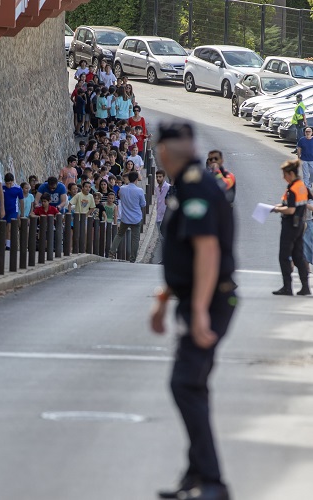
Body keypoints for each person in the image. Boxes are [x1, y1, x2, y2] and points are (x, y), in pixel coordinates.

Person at [150, 122, 236, 500]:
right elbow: (184, 252)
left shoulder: (197, 185)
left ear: (163, 152)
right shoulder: (186, 184)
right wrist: (164, 300)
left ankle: (213, 481)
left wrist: (199, 309)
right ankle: (196, 475)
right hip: (198, 298)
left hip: (213, 299)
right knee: (193, 384)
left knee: (185, 383)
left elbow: (207, 250)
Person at [271, 159, 311, 296]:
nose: (283, 177)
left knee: (284, 256)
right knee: (298, 256)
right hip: (300, 225)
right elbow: (306, 201)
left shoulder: (293, 189)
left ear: (291, 174)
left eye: (285, 174)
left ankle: (287, 287)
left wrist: (277, 209)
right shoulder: (302, 186)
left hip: (290, 226)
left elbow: (291, 210)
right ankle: (305, 287)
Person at [108, 171, 145, 262]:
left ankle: (111, 252)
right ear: (136, 179)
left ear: (128, 178)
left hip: (125, 217)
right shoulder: (140, 190)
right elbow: (143, 204)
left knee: (119, 234)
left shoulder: (122, 188)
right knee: (135, 238)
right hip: (136, 217)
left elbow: (120, 196)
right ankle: (132, 258)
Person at [2, 173, 24, 249]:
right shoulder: (2, 186)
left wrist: (22, 213)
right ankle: (3, 243)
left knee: (9, 226)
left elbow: (21, 201)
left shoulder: (18, 188)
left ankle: (8, 245)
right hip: (3, 210)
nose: (9, 185)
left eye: (10, 183)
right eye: (7, 183)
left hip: (13, 210)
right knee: (3, 227)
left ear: (13, 181)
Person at [155, 169, 171, 233]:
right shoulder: (157, 188)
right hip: (158, 216)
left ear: (164, 177)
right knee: (161, 238)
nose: (158, 178)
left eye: (160, 177)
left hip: (166, 217)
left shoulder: (169, 187)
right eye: (157, 177)